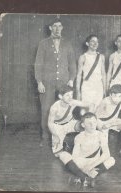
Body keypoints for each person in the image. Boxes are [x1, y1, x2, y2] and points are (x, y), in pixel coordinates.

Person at [35, 17, 77, 145]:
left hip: (64, 83)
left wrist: (71, 79)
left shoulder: (68, 43)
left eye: (60, 26)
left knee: (64, 109)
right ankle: (45, 137)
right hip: (47, 83)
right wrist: (39, 81)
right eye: (55, 26)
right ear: (50, 28)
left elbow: (72, 64)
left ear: (62, 28)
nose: (57, 29)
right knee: (46, 109)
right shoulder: (43, 43)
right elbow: (38, 64)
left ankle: (63, 135)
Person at [58, 112, 115, 187]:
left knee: (111, 160)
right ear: (83, 125)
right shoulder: (79, 137)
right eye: (89, 123)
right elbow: (75, 156)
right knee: (63, 154)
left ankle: (81, 175)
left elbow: (106, 154)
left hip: (95, 162)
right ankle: (87, 176)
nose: (92, 125)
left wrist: (90, 166)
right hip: (82, 161)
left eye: (94, 122)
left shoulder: (101, 135)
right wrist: (83, 168)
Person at [47, 85, 92, 156]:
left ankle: (84, 146)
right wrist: (55, 135)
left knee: (86, 126)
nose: (70, 97)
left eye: (71, 94)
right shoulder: (54, 107)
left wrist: (89, 118)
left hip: (70, 123)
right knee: (58, 154)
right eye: (67, 95)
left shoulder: (73, 102)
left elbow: (90, 105)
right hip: (58, 127)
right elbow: (50, 123)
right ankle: (67, 141)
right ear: (60, 96)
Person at [76, 34, 106, 113]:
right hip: (87, 86)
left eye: (96, 42)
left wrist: (105, 89)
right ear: (87, 43)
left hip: (98, 86)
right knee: (86, 111)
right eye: (92, 41)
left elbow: (103, 74)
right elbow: (79, 75)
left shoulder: (101, 57)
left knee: (98, 110)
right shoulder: (83, 57)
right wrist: (78, 90)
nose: (95, 43)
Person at [95, 84, 121, 153]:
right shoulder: (105, 101)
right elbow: (96, 117)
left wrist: (111, 124)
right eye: (115, 96)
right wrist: (100, 127)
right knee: (104, 146)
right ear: (110, 95)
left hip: (112, 122)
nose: (117, 98)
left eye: (120, 96)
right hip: (102, 122)